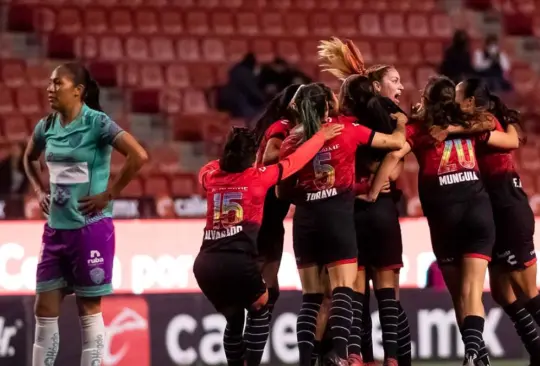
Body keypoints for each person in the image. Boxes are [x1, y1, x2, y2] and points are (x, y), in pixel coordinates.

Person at [367, 75, 520, 365]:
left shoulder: (421, 129)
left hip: (444, 217)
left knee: (458, 294)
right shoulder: (473, 123)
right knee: (473, 289)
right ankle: (476, 353)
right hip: (478, 211)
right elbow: (509, 139)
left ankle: (475, 352)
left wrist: (374, 191)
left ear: (427, 100)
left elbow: (394, 154)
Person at [24, 62, 148, 366]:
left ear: (78, 91)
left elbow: (138, 155)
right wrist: (40, 192)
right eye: (50, 83)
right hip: (55, 231)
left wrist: (110, 194)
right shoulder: (46, 126)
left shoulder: (98, 123)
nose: (50, 89)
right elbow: (29, 158)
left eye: (58, 84)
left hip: (90, 230)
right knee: (44, 311)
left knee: (88, 313)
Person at [277, 82, 406, 366]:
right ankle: (339, 352)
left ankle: (306, 360)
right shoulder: (347, 130)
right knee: (343, 289)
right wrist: (401, 125)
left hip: (306, 222)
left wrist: (310, 192)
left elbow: (281, 192)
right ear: (326, 106)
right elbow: (395, 144)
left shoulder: (292, 141)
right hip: (337, 218)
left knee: (310, 298)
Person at [194, 123, 343, 366]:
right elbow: (294, 162)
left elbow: (207, 167)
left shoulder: (211, 177)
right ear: (251, 158)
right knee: (261, 306)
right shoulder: (257, 178)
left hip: (205, 264)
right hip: (238, 261)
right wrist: (320, 137)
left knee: (233, 320)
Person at [318, 37, 412, 366]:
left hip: (349, 212)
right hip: (381, 211)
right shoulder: (392, 118)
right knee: (389, 297)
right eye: (395, 80)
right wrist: (377, 185)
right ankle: (393, 359)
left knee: (353, 296)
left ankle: (357, 357)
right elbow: (398, 157)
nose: (401, 86)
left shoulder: (342, 125)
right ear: (374, 85)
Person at [437, 78, 540, 364]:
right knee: (501, 291)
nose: (452, 100)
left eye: (457, 95)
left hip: (508, 209)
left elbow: (510, 139)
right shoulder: (480, 122)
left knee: (527, 291)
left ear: (469, 101)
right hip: (496, 212)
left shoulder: (482, 123)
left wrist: (446, 129)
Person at [252, 83, 302, 317]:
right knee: (263, 293)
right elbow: (269, 157)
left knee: (269, 292)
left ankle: (250, 347)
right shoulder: (283, 126)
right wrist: (302, 148)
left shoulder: (285, 126)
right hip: (264, 214)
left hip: (271, 216)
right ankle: (248, 347)